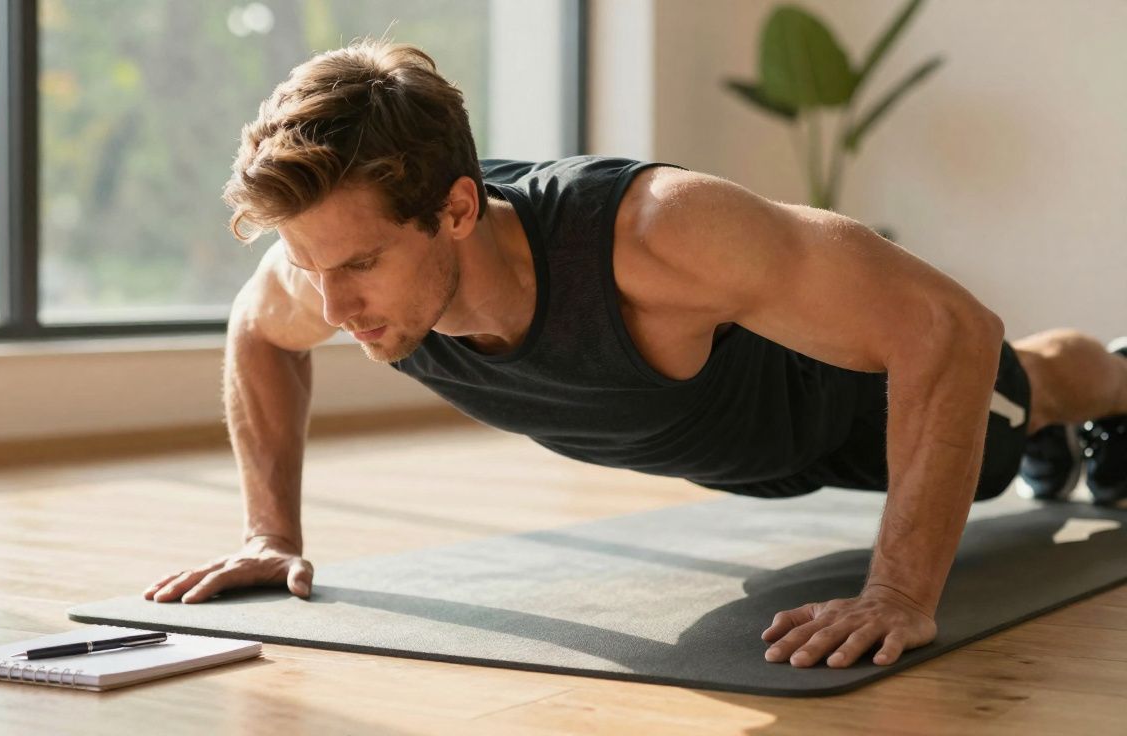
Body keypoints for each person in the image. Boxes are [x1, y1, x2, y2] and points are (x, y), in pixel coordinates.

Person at [143, 39, 1127, 671]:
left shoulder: (657, 233)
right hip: (748, 453)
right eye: (307, 263)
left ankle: (1114, 377)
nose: (330, 302)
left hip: (858, 406)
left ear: (454, 208)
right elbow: (257, 331)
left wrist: (900, 593)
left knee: (1023, 387)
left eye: (356, 263)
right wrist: (270, 533)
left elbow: (942, 328)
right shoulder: (325, 276)